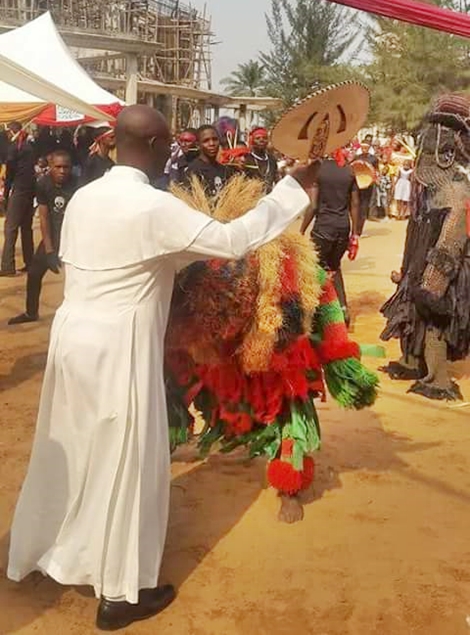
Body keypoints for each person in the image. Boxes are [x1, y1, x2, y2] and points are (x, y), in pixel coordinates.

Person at [7, 104, 319, 631]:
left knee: (70, 445)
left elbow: (147, 258)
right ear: (154, 147)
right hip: (119, 344)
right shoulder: (151, 207)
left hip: (72, 338)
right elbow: (233, 241)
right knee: (129, 461)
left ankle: (46, 549)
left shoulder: (86, 196)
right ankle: (122, 594)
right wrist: (292, 188)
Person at [381, 93, 470, 400]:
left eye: (439, 134)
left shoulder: (457, 190)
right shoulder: (432, 186)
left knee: (435, 321)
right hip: (421, 262)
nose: (429, 140)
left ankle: (437, 377)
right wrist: (410, 272)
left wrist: (434, 284)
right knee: (414, 314)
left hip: (444, 269)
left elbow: (451, 241)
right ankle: (412, 361)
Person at [7, 151, 78, 325]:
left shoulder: (78, 184)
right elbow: (44, 216)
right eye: (58, 167)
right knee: (34, 274)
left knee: (77, 279)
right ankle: (31, 312)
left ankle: (77, 317)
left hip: (75, 237)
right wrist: (49, 250)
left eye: (66, 167)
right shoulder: (43, 184)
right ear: (50, 167)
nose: (62, 171)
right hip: (53, 235)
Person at [300, 153, 360, 325]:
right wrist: (354, 234)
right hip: (343, 228)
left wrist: (302, 230)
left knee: (314, 269)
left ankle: (313, 315)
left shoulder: (319, 170)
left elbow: (313, 206)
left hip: (323, 229)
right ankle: (342, 309)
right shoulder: (349, 170)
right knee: (335, 267)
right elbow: (355, 204)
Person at [0, 121, 36, 276]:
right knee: (26, 228)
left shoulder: (15, 148)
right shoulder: (28, 147)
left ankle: (8, 266)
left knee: (10, 228)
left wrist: (6, 194)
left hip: (19, 190)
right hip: (30, 190)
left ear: (10, 132)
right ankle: (30, 263)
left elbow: (9, 175)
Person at [185, 124, 236, 196]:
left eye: (215, 139)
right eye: (206, 141)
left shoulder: (224, 171)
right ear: (197, 144)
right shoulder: (193, 171)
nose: (212, 144)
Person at [243, 127, 279, 192]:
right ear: (252, 141)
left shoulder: (272, 160)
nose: (261, 140)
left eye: (264, 138)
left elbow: (276, 179)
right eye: (257, 138)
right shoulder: (247, 159)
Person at [355, 141, 378, 235]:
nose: (364, 149)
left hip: (368, 185)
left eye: (366, 147)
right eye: (363, 147)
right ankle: (355, 229)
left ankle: (360, 230)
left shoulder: (373, 159)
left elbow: (376, 170)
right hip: (357, 185)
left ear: (369, 148)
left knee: (364, 207)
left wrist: (374, 179)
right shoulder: (357, 157)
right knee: (356, 205)